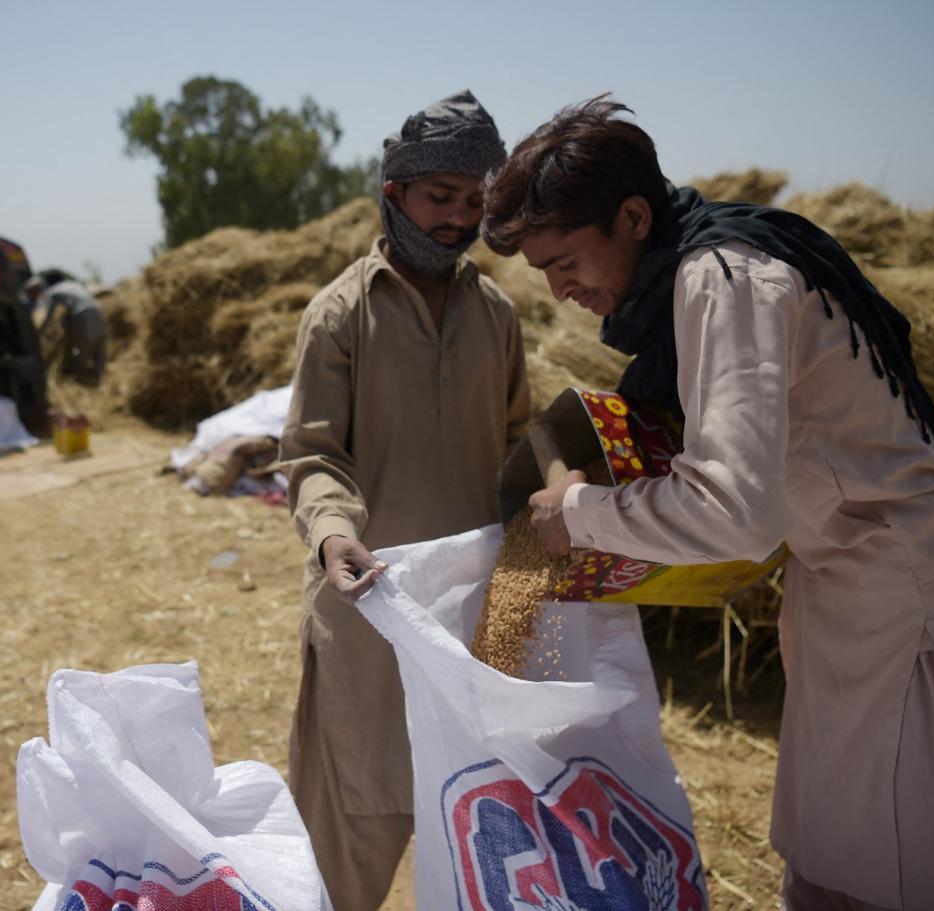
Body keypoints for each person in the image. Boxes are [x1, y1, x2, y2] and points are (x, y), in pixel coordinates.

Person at [482, 95, 934, 910]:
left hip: (911, 584)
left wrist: (582, 511)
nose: (561, 291)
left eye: (566, 262)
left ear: (633, 216)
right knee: (826, 859)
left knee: (899, 871)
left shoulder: (724, 279)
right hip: (850, 577)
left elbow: (734, 506)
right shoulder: (701, 269)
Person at [278, 89, 530, 908]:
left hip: (473, 618)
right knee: (351, 834)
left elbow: (520, 442)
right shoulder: (341, 314)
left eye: (472, 201)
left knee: (480, 828)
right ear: (394, 193)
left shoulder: (496, 313)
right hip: (370, 611)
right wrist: (330, 534)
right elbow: (313, 454)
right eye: (439, 197)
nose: (457, 218)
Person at [24, 272, 108, 385]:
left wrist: (39, 332)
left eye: (32, 292)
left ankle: (80, 384)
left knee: (79, 354)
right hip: (98, 312)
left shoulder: (52, 292)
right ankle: (99, 382)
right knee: (99, 351)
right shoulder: (72, 285)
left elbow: (49, 316)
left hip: (81, 316)